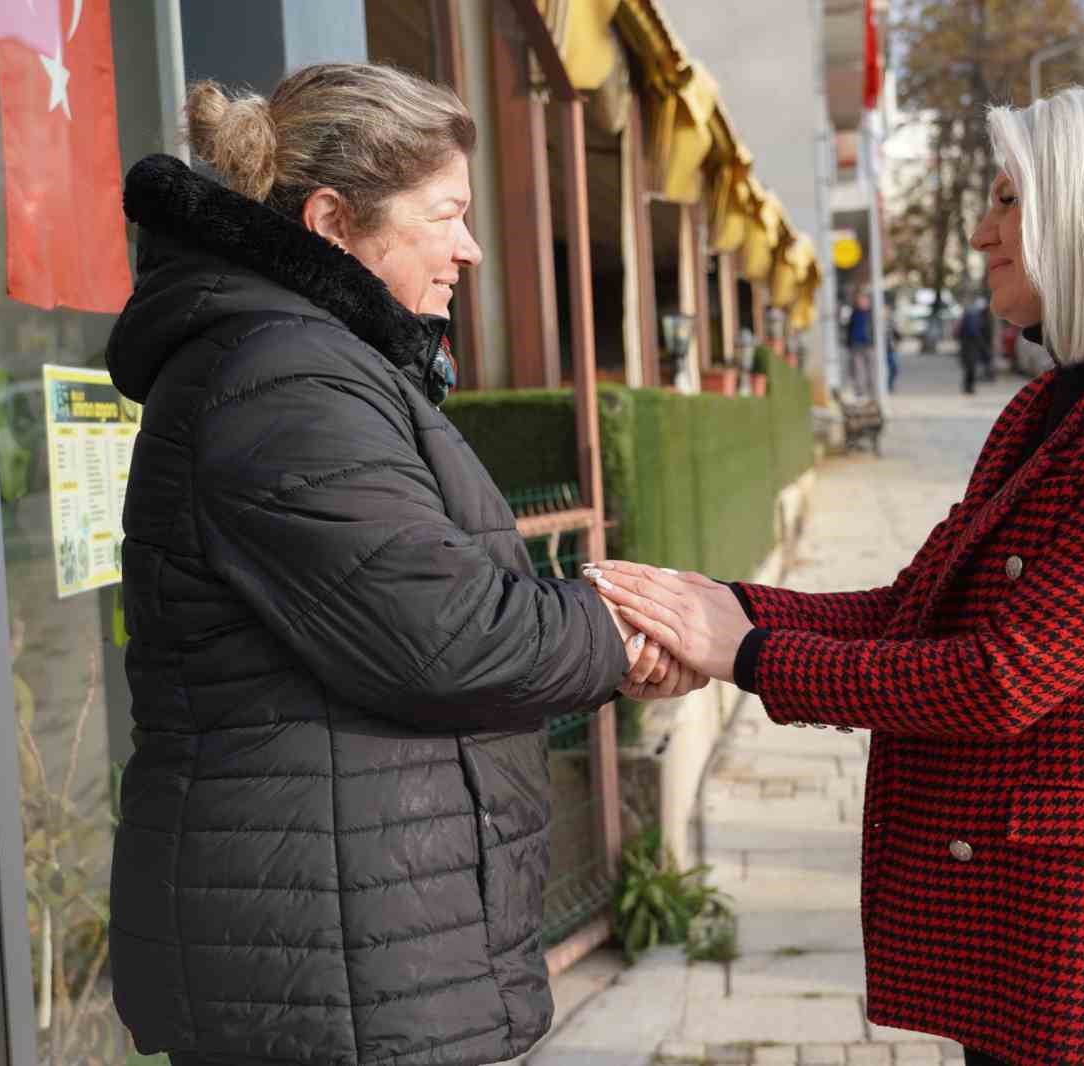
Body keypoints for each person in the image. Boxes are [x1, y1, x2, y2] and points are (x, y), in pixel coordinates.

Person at [587, 87, 1084, 1066]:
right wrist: (718, 607)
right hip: (1033, 924)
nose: (982, 232)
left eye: (1007, 200)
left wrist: (747, 653)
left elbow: (998, 679)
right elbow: (915, 610)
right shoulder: (1049, 409)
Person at [105, 65, 701, 1066]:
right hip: (324, 971)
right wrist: (624, 626)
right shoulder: (281, 378)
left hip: (354, 945)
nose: (469, 247)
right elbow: (450, 636)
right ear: (334, 221)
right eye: (446, 215)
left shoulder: (312, 360)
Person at [844, 289, 876, 398]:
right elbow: (850, 329)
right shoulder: (854, 313)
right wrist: (848, 343)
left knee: (871, 368)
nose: (861, 302)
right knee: (858, 369)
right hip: (856, 344)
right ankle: (860, 392)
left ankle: (872, 391)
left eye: (863, 300)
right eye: (860, 300)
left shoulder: (872, 314)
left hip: (869, 344)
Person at [955, 301, 986, 393]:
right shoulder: (974, 315)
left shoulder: (970, 313)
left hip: (967, 343)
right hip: (971, 343)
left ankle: (968, 386)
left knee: (969, 366)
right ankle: (969, 387)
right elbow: (973, 331)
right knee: (971, 366)